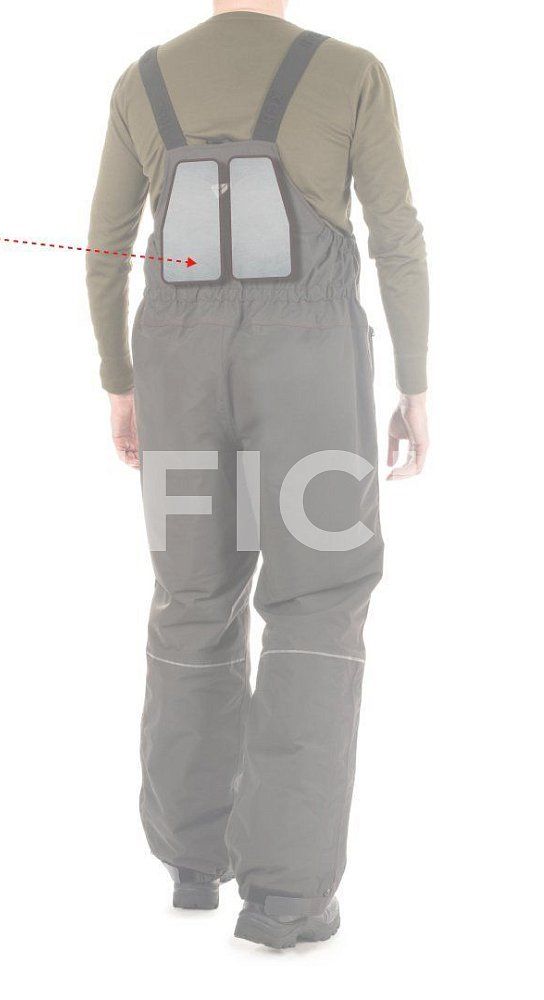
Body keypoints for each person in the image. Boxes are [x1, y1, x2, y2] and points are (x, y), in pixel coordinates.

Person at [86, 1, 429, 948]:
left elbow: (106, 250)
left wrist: (120, 382)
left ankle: (193, 859)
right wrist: (415, 382)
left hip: (176, 369)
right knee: (317, 599)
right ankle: (286, 897)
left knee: (193, 593)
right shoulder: (352, 71)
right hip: (309, 367)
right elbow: (396, 233)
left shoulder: (142, 81)